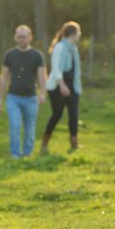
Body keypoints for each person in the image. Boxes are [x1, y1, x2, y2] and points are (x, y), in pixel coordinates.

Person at [0, 25, 47, 158]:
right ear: (15, 38)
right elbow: (4, 76)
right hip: (13, 98)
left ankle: (27, 153)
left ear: (30, 38)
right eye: (19, 37)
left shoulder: (37, 55)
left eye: (24, 37)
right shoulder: (10, 55)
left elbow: (42, 76)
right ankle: (15, 153)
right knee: (15, 125)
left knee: (30, 129)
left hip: (31, 98)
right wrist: (0, 99)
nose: (22, 39)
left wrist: (42, 93)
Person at [42, 21, 83, 154]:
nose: (79, 36)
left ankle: (74, 141)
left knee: (73, 114)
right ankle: (45, 141)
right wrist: (62, 85)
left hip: (73, 86)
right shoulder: (60, 47)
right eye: (78, 33)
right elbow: (56, 67)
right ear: (73, 34)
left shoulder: (73, 48)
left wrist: (74, 86)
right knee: (57, 114)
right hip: (58, 85)